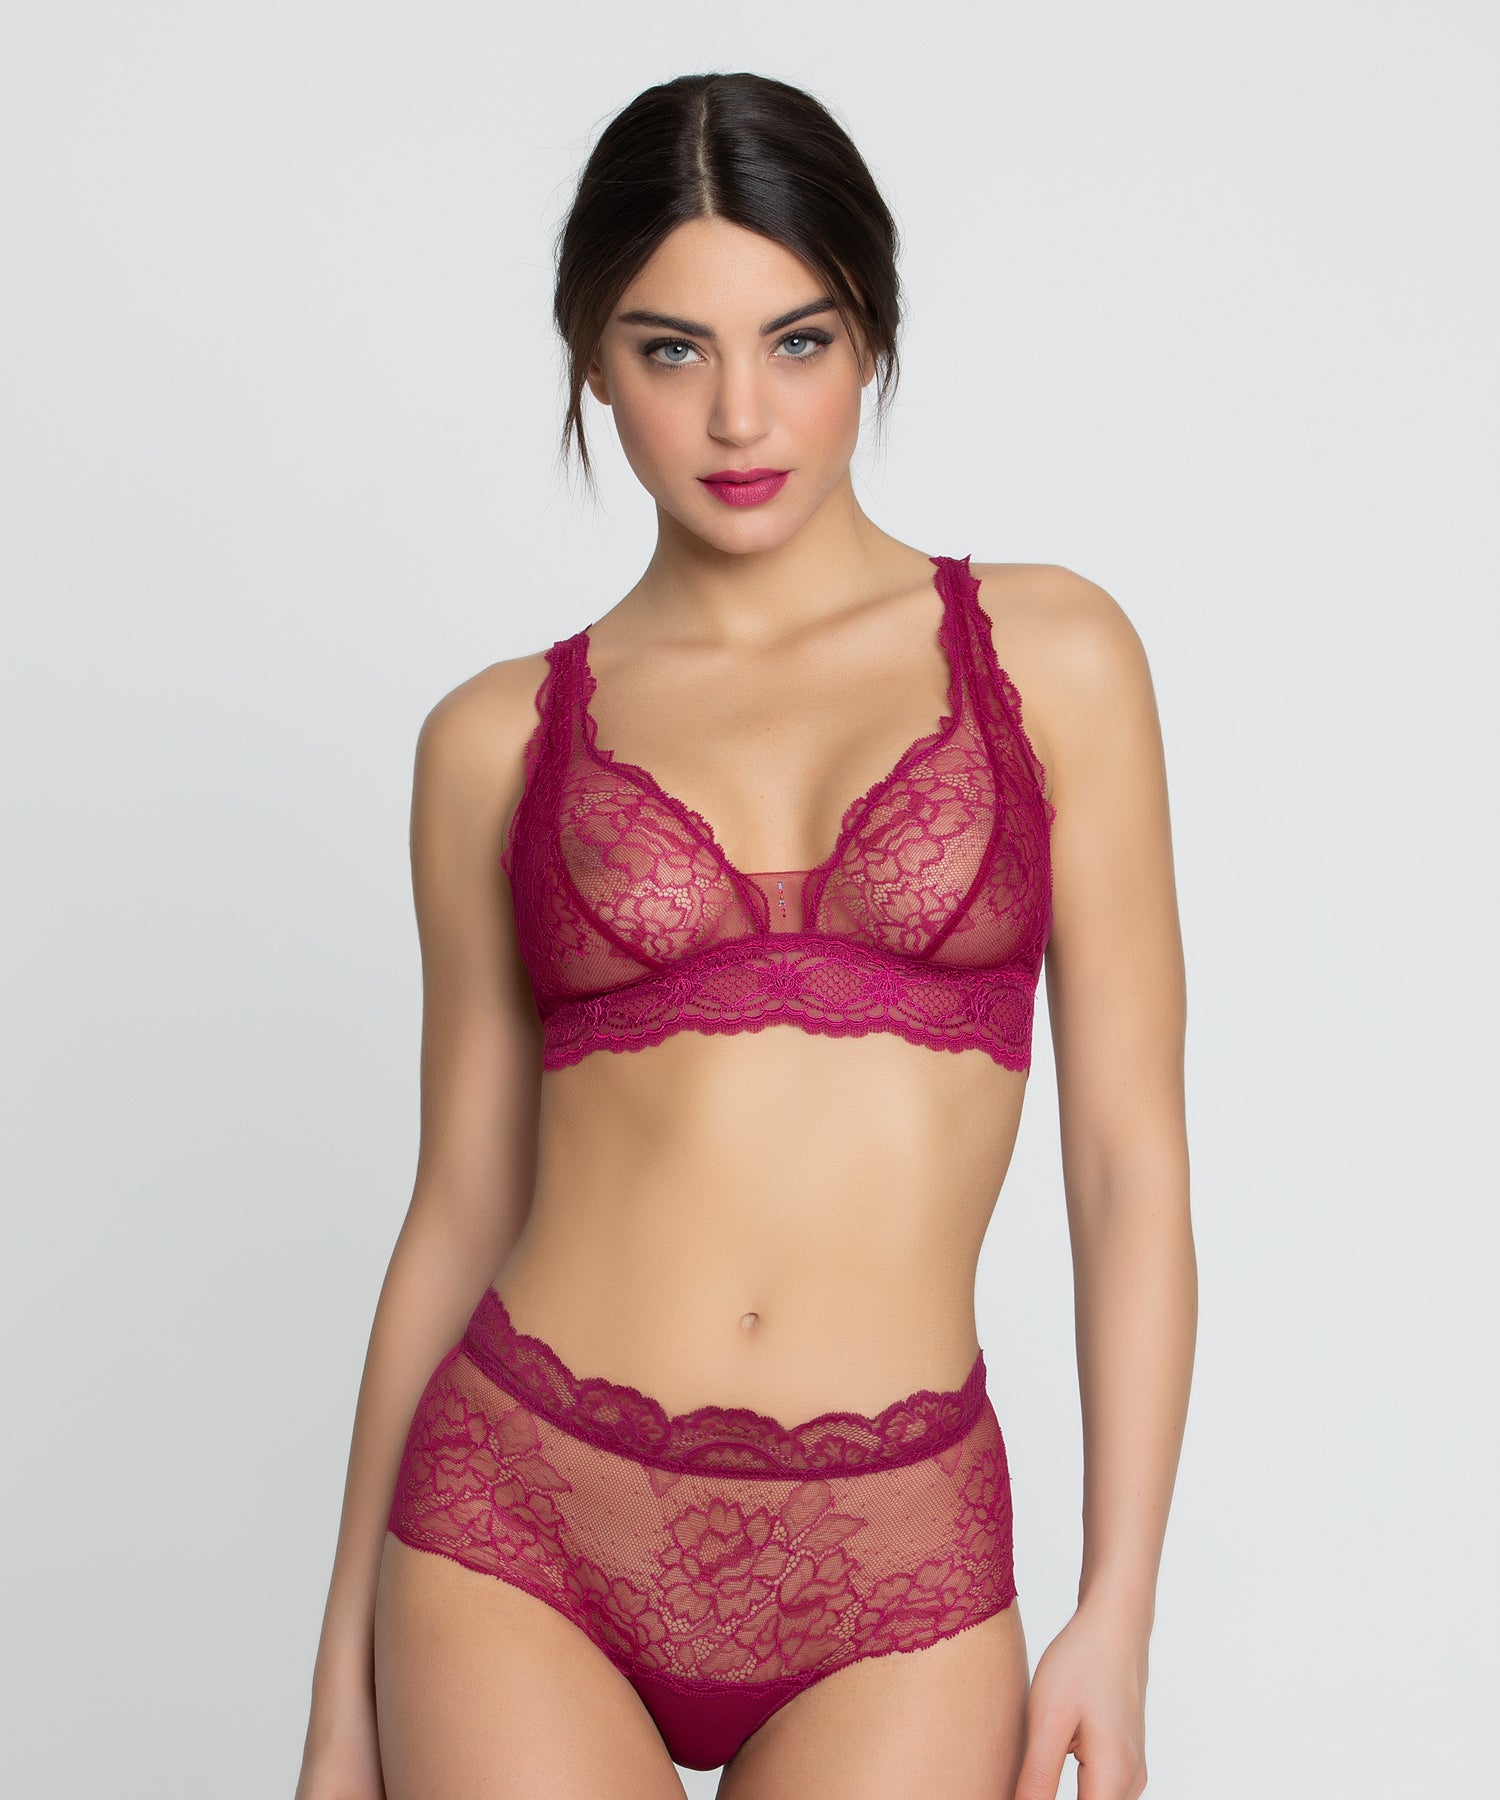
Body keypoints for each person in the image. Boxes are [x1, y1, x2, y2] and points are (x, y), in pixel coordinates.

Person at [295, 69, 1194, 1800]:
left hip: (898, 1557)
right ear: (591, 360)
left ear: (872, 337)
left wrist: (1120, 1605)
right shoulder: (491, 742)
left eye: (797, 341)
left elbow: (1129, 1164)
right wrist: (341, 1694)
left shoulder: (1057, 657)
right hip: (522, 1525)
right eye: (670, 349)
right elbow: (458, 1204)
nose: (737, 417)